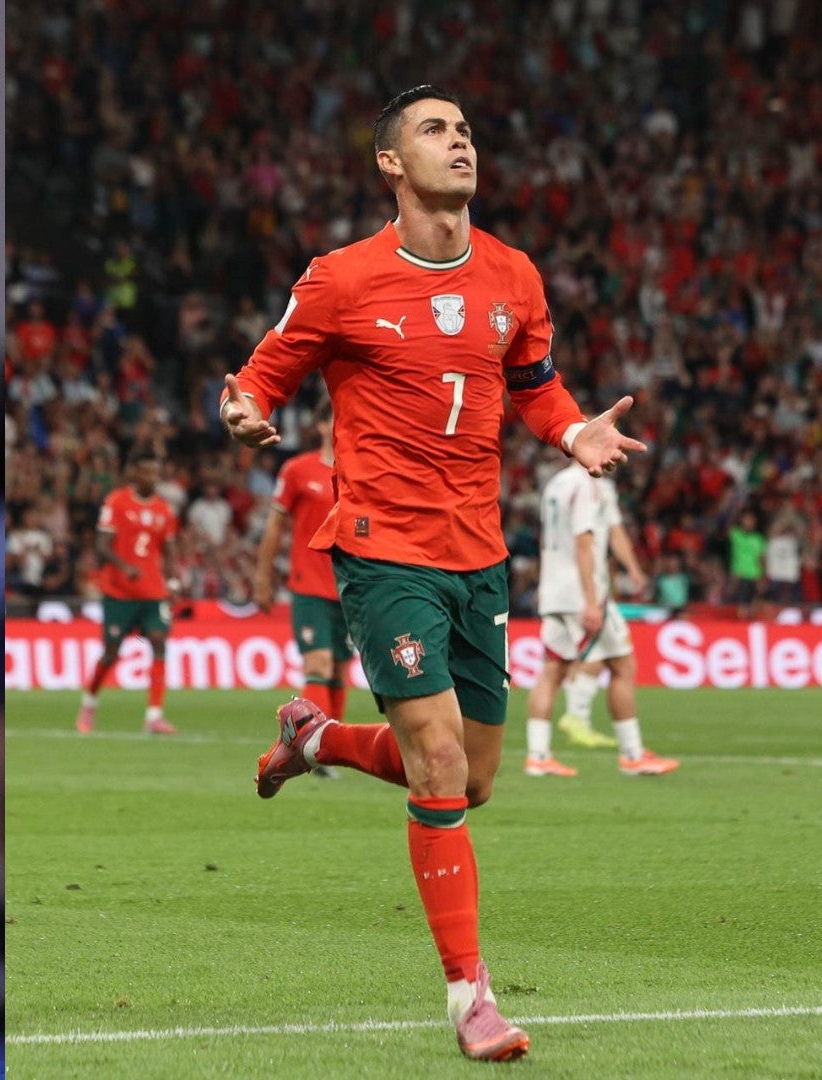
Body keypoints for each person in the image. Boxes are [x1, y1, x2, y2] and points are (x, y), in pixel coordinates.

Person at [222, 86, 646, 1063]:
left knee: (475, 778)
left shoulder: (514, 275)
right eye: (434, 129)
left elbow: (536, 387)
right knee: (441, 762)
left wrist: (574, 431)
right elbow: (262, 375)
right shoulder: (340, 279)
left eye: (464, 130)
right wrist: (244, 410)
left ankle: (316, 737)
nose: (459, 142)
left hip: (479, 555)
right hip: (381, 549)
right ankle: (469, 998)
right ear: (389, 162)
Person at [523, 462, 679, 777]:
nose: (615, 453)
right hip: (582, 591)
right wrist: (592, 601)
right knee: (622, 664)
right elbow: (584, 544)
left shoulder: (556, 484)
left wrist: (548, 583)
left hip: (555, 589)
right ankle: (632, 754)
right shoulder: (589, 485)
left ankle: (538, 756)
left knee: (552, 669)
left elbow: (551, 539)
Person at [252, 402, 353, 725]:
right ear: (321, 425)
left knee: (339, 669)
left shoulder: (362, 473)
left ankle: (332, 744)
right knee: (318, 663)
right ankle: (315, 740)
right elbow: (275, 527)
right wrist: (263, 577)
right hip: (309, 586)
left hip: (351, 587)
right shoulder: (297, 471)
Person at [75, 451, 181, 735]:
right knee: (111, 652)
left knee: (159, 641)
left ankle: (154, 716)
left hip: (153, 591)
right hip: (119, 592)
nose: (152, 477)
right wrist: (125, 567)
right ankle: (89, 702)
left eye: (155, 472)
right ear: (134, 473)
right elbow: (102, 545)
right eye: (146, 471)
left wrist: (173, 580)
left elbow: (169, 550)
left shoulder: (164, 510)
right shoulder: (117, 501)